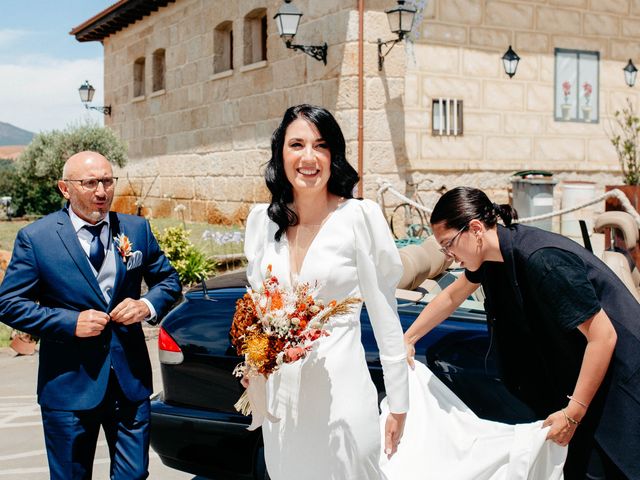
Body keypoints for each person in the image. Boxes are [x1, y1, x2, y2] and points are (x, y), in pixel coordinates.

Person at [403, 186, 640, 480]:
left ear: (475, 229)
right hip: (580, 385)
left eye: (448, 244)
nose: (449, 256)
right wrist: (407, 339)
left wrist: (572, 413)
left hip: (620, 382)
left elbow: (603, 337)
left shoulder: (543, 260)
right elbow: (453, 296)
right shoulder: (491, 257)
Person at [243, 104, 409, 479]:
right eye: (296, 144)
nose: (308, 157)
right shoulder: (261, 223)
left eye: (320, 146)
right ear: (280, 154)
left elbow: (385, 312)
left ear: (333, 155)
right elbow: (256, 311)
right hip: (281, 398)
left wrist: (399, 401)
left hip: (342, 391)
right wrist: (255, 364)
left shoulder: (359, 219)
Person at [0, 151, 182, 479]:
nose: (101, 191)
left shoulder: (136, 229)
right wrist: (71, 323)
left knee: (134, 475)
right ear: (64, 188)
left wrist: (146, 305)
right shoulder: (37, 239)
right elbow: (10, 303)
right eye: (90, 182)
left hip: (130, 383)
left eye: (107, 181)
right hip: (68, 386)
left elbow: (168, 280)